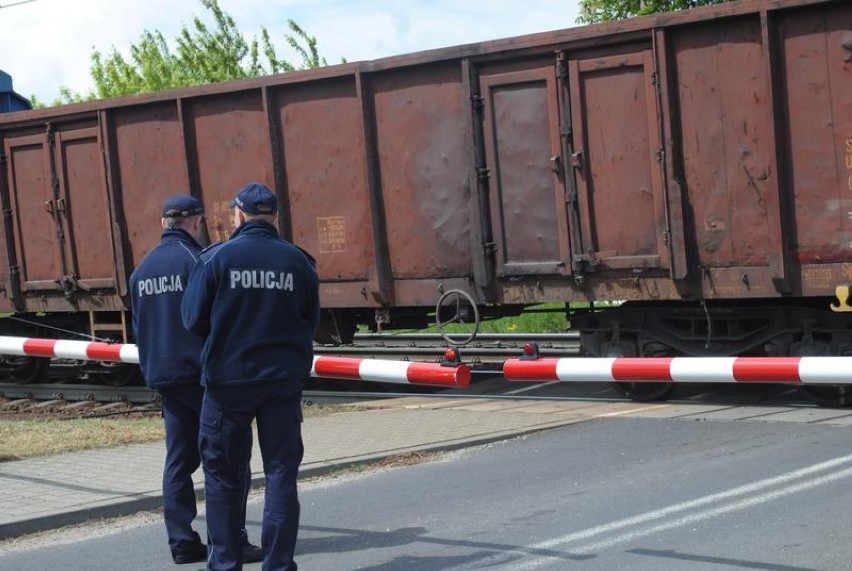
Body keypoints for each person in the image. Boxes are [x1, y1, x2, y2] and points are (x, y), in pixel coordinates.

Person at [181, 182, 320, 571]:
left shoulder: (214, 259)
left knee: (223, 477)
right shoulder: (298, 262)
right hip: (282, 384)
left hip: (228, 386)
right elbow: (310, 321)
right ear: (274, 216)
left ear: (237, 215)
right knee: (280, 474)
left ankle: (225, 564)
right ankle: (278, 564)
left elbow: (192, 320)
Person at [130, 195, 263, 566]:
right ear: (196, 222)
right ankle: (231, 540)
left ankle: (182, 542)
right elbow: (212, 320)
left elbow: (140, 330)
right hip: (203, 378)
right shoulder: (197, 262)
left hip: (164, 378)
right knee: (227, 461)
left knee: (178, 462)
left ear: (162, 225)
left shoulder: (140, 272)